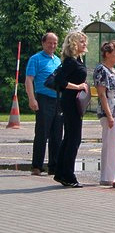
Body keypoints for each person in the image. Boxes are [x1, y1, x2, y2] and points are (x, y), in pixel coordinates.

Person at [53, 31, 89, 188]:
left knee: (69, 138)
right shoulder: (70, 62)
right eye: (81, 41)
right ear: (73, 44)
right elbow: (59, 81)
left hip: (74, 102)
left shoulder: (78, 60)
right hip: (69, 102)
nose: (84, 44)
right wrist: (78, 86)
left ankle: (61, 172)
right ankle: (68, 175)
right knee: (73, 139)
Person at [25, 32, 64, 176]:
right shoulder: (35, 59)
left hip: (58, 100)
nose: (52, 45)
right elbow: (29, 80)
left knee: (57, 134)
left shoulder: (58, 60)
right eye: (50, 43)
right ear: (43, 43)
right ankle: (37, 166)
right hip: (43, 99)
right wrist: (31, 98)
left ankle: (53, 166)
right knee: (42, 133)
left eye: (55, 43)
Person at [93, 40, 115, 185]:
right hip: (110, 112)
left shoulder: (113, 70)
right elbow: (102, 94)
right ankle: (107, 177)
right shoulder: (101, 70)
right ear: (107, 54)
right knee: (111, 145)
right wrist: (108, 115)